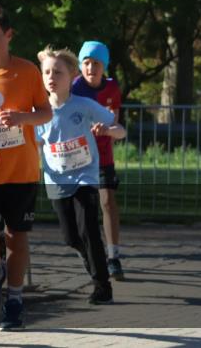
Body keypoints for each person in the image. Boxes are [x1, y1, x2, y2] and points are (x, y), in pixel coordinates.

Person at [0, 5, 52, 331]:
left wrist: (22, 118)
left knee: (16, 237)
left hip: (21, 170)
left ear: (8, 35)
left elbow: (46, 112)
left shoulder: (27, 71)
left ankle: (15, 302)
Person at [36, 46, 125, 305]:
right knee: (71, 237)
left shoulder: (84, 105)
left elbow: (120, 130)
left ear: (72, 76)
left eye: (58, 73)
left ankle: (102, 286)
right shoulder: (39, 112)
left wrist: (108, 131)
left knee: (89, 228)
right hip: (56, 179)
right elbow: (35, 143)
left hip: (85, 175)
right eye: (47, 72)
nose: (51, 77)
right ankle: (91, 259)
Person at [70, 40, 125, 280]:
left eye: (96, 64)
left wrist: (107, 130)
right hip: (78, 156)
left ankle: (113, 256)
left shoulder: (112, 88)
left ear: (105, 66)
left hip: (102, 154)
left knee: (107, 202)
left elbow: (115, 121)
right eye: (87, 63)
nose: (91, 68)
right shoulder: (74, 87)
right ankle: (89, 251)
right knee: (81, 209)